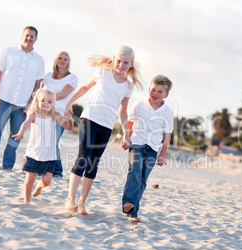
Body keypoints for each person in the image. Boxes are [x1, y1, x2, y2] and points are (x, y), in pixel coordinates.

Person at [64, 45, 143, 215]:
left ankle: (82, 202)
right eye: (118, 61)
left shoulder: (128, 86)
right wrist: (68, 103)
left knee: (93, 164)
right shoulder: (103, 72)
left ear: (131, 65)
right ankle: (70, 198)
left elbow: (123, 111)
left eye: (125, 62)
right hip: (89, 119)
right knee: (83, 157)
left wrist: (126, 134)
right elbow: (85, 88)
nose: (121, 65)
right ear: (114, 60)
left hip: (106, 126)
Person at [0, 26, 45, 170]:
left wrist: (30, 104)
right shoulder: (9, 52)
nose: (29, 38)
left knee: (15, 137)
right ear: (22, 35)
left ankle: (7, 166)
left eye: (32, 36)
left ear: (36, 39)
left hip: (22, 105)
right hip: (3, 99)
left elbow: (38, 84)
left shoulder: (39, 60)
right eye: (27, 35)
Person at [121, 75, 173, 222]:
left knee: (143, 180)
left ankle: (133, 211)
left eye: (160, 91)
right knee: (134, 172)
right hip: (137, 143)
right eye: (153, 89)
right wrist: (125, 139)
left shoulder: (167, 112)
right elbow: (129, 124)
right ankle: (128, 203)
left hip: (153, 149)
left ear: (166, 95)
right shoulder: (139, 105)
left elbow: (167, 137)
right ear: (149, 89)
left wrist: (162, 155)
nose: (155, 93)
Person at [12, 88, 74, 203]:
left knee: (47, 181)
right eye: (43, 101)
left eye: (50, 102)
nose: (46, 104)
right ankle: (27, 200)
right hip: (34, 152)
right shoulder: (33, 114)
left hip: (49, 154)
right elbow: (26, 123)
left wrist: (69, 118)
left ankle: (39, 187)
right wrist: (21, 132)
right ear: (37, 101)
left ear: (53, 104)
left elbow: (68, 126)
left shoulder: (55, 116)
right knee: (30, 178)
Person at [42, 51, 78, 178]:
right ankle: (43, 168)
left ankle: (57, 170)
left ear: (68, 63)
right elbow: (40, 92)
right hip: (44, 113)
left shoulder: (72, 78)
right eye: (60, 58)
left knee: (53, 141)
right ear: (56, 61)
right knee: (43, 141)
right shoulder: (47, 76)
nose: (62, 61)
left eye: (65, 59)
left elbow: (63, 94)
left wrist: (47, 98)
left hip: (60, 114)